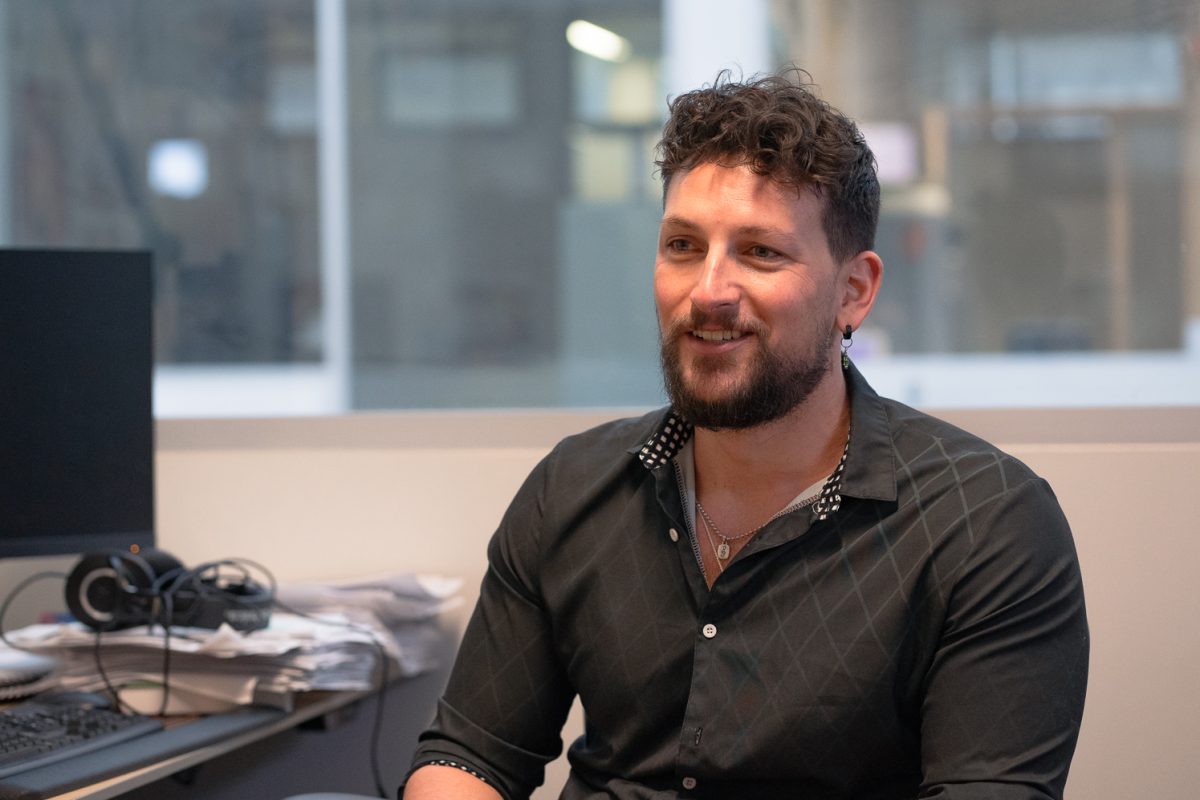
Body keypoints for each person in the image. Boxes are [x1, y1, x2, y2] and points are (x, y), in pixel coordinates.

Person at [403, 69, 1089, 800]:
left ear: (854, 291)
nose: (708, 291)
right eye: (682, 246)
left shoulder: (986, 526)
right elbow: (471, 755)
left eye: (760, 252)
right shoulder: (573, 489)